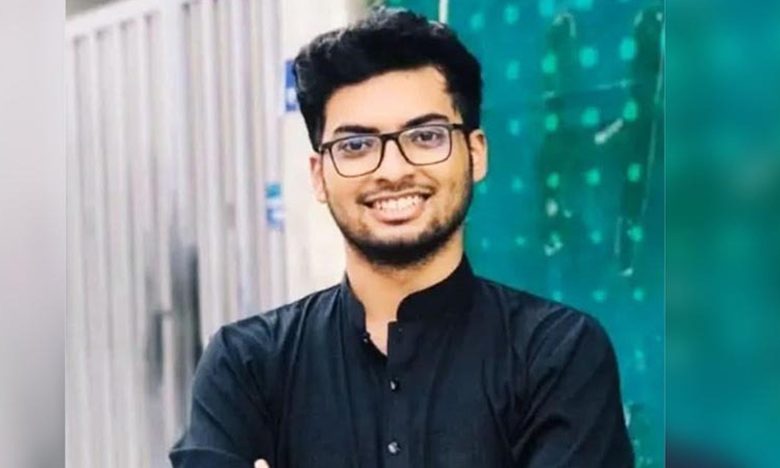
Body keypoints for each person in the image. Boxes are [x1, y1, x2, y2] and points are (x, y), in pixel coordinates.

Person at [169, 8, 634, 468]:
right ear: (318, 174)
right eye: (355, 145)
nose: (393, 170)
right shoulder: (247, 366)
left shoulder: (558, 355)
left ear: (475, 153)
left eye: (426, 137)